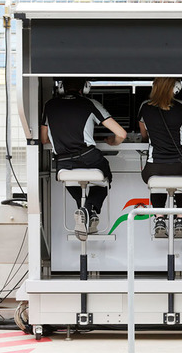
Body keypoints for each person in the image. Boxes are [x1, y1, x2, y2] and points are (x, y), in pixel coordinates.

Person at [41, 79, 127, 241]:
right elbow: (121, 134)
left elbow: (44, 139)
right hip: (87, 156)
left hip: (63, 162)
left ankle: (86, 212)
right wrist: (111, 141)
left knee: (71, 181)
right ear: (85, 88)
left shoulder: (49, 105)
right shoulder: (90, 104)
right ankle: (87, 209)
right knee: (105, 175)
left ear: (61, 88)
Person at [138, 78, 182, 239]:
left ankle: (159, 219)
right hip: (181, 165)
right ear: (176, 89)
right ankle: (180, 221)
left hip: (153, 167)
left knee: (157, 182)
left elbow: (144, 135)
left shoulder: (144, 107)